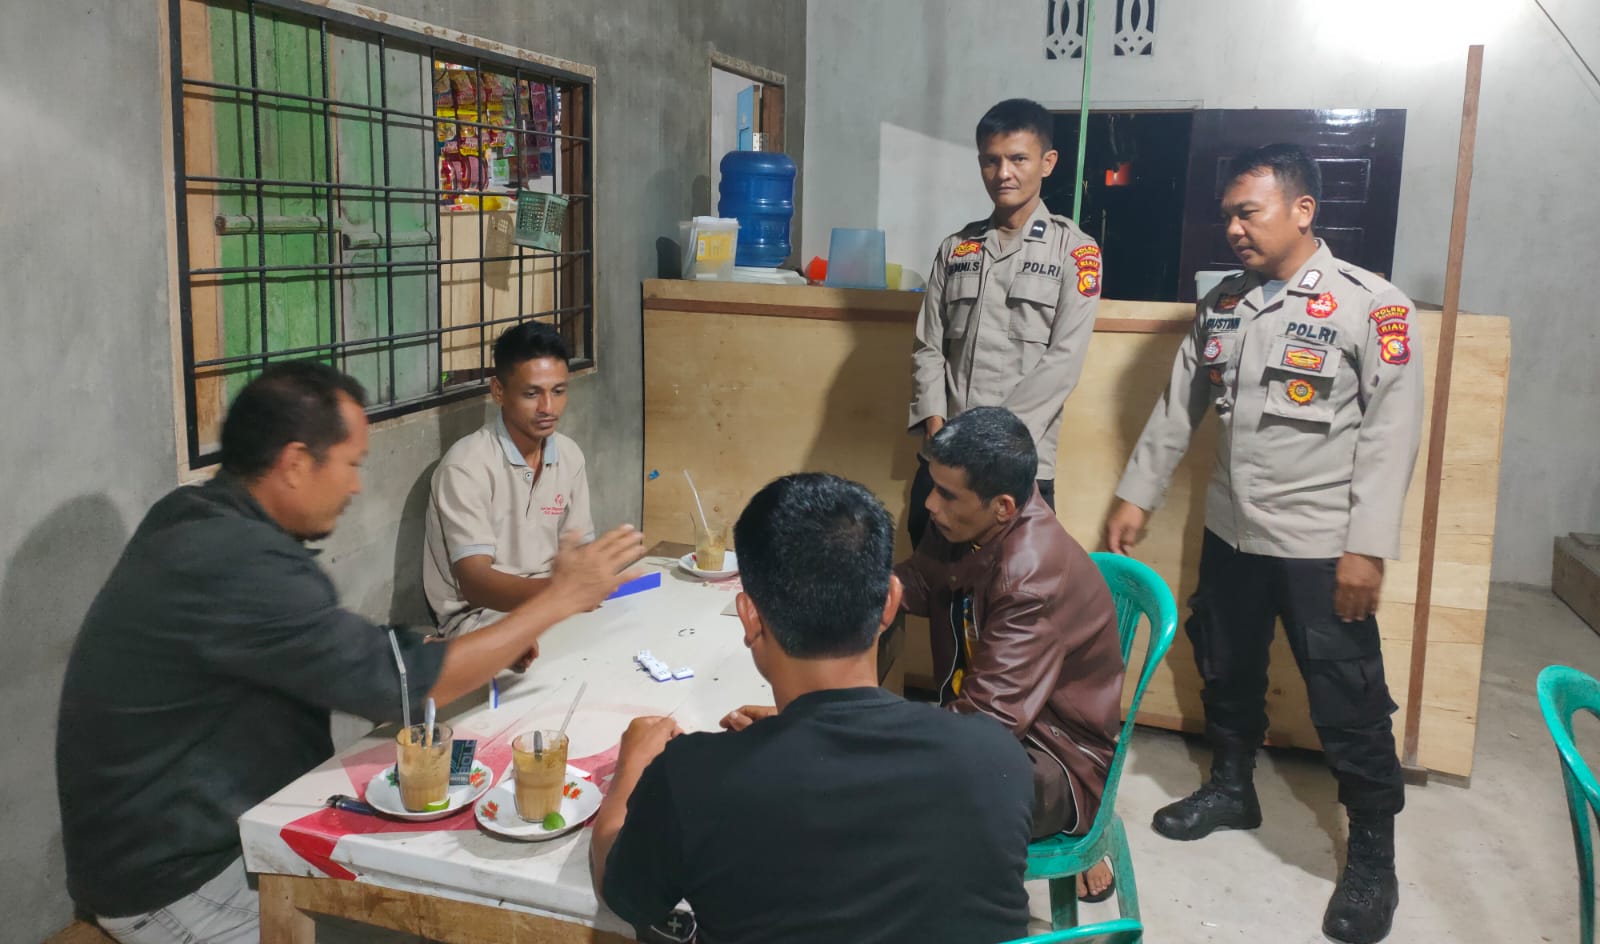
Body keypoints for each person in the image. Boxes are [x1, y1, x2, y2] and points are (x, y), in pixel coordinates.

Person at [57, 361, 645, 944]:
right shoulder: (234, 559)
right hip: (183, 881)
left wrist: (475, 646)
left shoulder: (198, 516)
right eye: (351, 465)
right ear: (295, 464)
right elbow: (399, 687)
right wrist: (557, 599)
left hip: (210, 835)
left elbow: (326, 642)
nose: (357, 486)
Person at [1105, 143, 1423, 944]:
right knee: (1227, 665)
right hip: (1232, 531)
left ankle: (1373, 856)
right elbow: (1178, 406)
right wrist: (1136, 496)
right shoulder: (1224, 304)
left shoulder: (1370, 305)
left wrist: (1367, 548)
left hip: (1320, 542)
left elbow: (1391, 434)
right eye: (1228, 217)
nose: (1235, 229)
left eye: (1249, 213)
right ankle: (1232, 786)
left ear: (1303, 210)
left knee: (1348, 699)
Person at [590, 473, 1035, 944]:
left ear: (749, 616)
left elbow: (622, 892)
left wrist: (632, 768)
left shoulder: (691, 780)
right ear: (890, 602)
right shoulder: (995, 756)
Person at [895, 406, 1124, 899]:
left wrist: (866, 731)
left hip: (1057, 756)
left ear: (1002, 506)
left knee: (897, 796)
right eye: (932, 486)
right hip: (1001, 720)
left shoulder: (1030, 576)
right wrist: (853, 595)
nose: (930, 504)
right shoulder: (966, 523)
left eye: (947, 494)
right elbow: (920, 579)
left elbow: (985, 726)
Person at [907, 97, 1101, 545]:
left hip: (1020, 467)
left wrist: (992, 445)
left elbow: (1064, 362)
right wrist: (935, 423)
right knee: (934, 581)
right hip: (946, 462)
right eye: (991, 161)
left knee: (1016, 584)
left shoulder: (1074, 251)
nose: (1003, 173)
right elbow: (928, 346)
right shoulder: (957, 248)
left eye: (1018, 159)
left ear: (1047, 163)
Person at [424, 322, 595, 637]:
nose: (548, 408)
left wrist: (591, 576)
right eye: (532, 393)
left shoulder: (569, 455)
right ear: (498, 391)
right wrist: (562, 593)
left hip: (551, 606)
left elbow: (579, 550)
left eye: (558, 391)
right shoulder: (466, 466)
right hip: (482, 620)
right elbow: (476, 585)